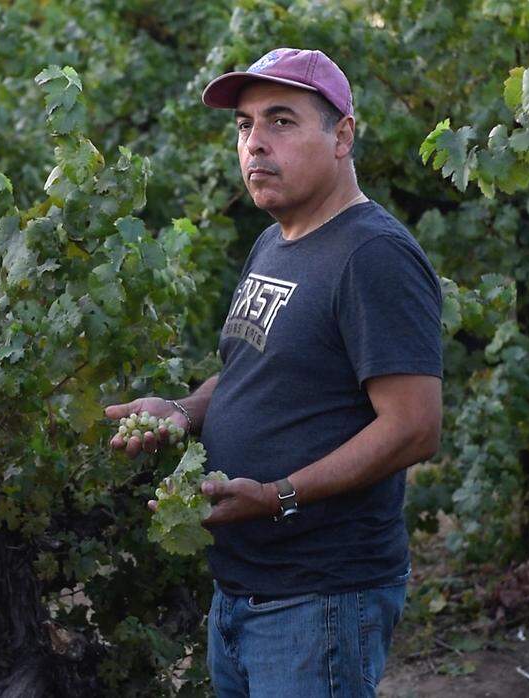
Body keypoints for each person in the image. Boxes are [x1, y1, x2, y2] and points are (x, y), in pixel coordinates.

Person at [105, 48, 443, 697]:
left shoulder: (373, 255)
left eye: (281, 121)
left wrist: (276, 495)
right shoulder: (277, 240)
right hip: (242, 594)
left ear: (342, 134)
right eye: (243, 126)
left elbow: (414, 428)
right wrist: (181, 409)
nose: (255, 143)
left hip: (319, 600)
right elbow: (247, 373)